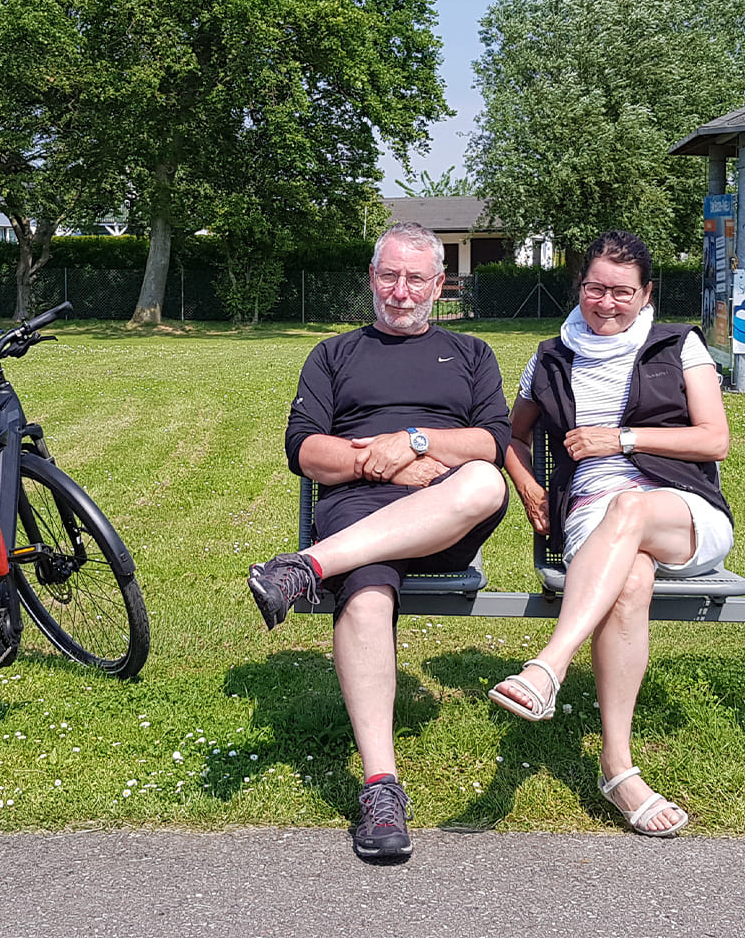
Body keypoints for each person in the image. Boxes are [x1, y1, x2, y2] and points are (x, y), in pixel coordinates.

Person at [247, 222, 511, 861]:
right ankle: (381, 787)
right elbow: (305, 450)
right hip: (358, 508)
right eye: (388, 276)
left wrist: (415, 443)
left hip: (443, 514)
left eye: (415, 278)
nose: (399, 291)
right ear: (372, 277)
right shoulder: (334, 355)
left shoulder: (471, 352)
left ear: (438, 284)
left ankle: (306, 567)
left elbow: (491, 442)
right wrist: (377, 463)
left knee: (482, 481)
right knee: (365, 598)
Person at [489, 230, 733, 837]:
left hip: (681, 511)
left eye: (622, 291)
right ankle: (618, 769)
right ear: (581, 286)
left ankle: (549, 666)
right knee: (629, 583)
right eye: (595, 287)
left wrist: (621, 439)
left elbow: (714, 439)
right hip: (592, 517)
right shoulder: (549, 358)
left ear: (646, 293)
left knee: (630, 504)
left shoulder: (681, 346)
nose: (606, 302)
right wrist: (527, 487)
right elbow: (509, 437)